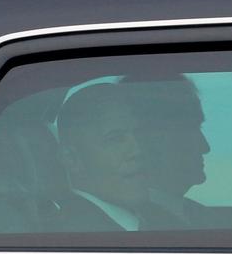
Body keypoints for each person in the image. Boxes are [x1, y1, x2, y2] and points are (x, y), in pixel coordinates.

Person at [56, 82, 175, 232]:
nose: (138, 150)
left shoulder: (159, 217)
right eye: (115, 139)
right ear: (72, 159)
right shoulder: (70, 238)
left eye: (139, 134)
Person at [123, 75, 212, 227]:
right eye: (189, 129)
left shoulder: (198, 216)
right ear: (145, 140)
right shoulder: (133, 225)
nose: (205, 147)